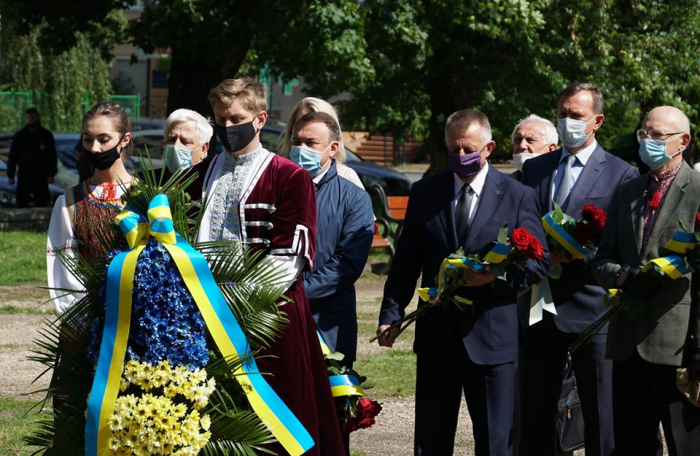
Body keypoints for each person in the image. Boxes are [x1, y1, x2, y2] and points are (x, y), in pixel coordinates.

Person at [377, 109, 550, 456]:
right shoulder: (426, 192)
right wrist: (391, 313)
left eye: (468, 149)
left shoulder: (516, 195)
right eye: (454, 149)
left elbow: (538, 262)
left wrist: (493, 278)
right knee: (431, 438)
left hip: (490, 337)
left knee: (494, 441)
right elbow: (406, 262)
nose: (460, 157)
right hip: (437, 336)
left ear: (488, 147)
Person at [197, 78, 345, 455]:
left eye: (236, 118)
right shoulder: (201, 173)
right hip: (201, 315)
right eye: (220, 119)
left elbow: (288, 260)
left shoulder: (289, 176)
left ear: (260, 118)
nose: (228, 127)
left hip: (268, 318)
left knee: (275, 422)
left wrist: (234, 305)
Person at [519, 83, 639, 456]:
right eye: (563, 114)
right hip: (540, 308)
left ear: (597, 121)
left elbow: (625, 242)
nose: (567, 121)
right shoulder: (536, 168)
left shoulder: (622, 173)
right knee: (536, 414)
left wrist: (578, 256)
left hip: (594, 310)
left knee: (601, 414)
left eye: (576, 116)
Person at [593, 106, 700, 456]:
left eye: (657, 136)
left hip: (678, 346)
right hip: (627, 343)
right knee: (632, 444)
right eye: (644, 134)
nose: (647, 142)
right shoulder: (627, 192)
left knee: (685, 445)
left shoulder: (697, 189)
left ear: (683, 141)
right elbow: (602, 257)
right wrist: (623, 276)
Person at [291, 110, 374, 452]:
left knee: (331, 418)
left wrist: (296, 294)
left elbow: (347, 265)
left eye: (311, 143)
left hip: (329, 325)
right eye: (297, 142)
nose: (301, 149)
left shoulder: (353, 198)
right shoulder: (277, 189)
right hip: (275, 318)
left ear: (333, 148)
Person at [47, 102, 135, 314]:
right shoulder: (69, 202)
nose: (94, 148)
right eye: (88, 139)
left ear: (124, 140)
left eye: (103, 140)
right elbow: (64, 271)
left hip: (141, 317)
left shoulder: (149, 197)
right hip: (89, 320)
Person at [279, 96, 365, 189]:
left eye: (317, 120)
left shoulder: (347, 178)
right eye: (302, 121)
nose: (308, 128)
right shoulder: (277, 173)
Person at [7, 107, 57, 207]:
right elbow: (13, 156)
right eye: (29, 117)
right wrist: (11, 175)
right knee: (22, 201)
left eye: (33, 116)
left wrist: (51, 174)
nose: (31, 119)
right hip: (24, 173)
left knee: (42, 201)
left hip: (41, 174)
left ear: (37, 117)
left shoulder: (45, 135)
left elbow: (52, 156)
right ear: (26, 118)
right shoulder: (20, 136)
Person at [163, 108, 213, 201]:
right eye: (171, 140)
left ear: (203, 148)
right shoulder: (145, 182)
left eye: (185, 141)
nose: (176, 146)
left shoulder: (211, 187)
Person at [510, 114, 558, 181]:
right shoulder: (503, 185)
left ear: (551, 149)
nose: (522, 146)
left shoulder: (559, 183)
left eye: (530, 140)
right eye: (518, 140)